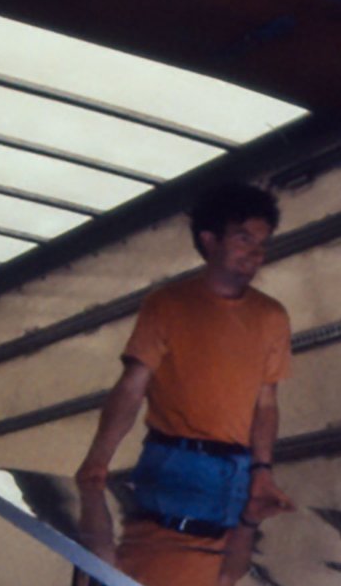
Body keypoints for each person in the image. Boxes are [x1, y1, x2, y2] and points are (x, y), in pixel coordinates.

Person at [75, 181, 294, 525]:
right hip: (171, 463)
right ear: (210, 240)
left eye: (262, 243)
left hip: (238, 473)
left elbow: (266, 403)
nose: (256, 254)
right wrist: (98, 459)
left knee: (229, 560)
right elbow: (132, 387)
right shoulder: (167, 305)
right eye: (243, 239)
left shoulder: (272, 316)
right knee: (159, 556)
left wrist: (262, 470)